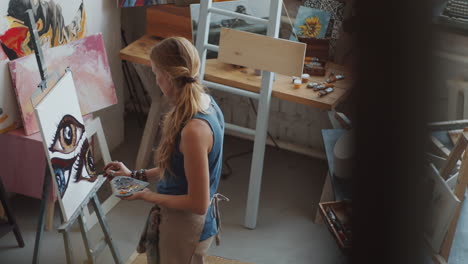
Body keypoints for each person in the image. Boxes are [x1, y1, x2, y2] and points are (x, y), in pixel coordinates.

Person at [103, 37, 227, 264]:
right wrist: (136, 175)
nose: (156, 80)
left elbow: (198, 204)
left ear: (168, 78)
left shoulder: (193, 130)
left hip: (186, 228)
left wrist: (146, 195)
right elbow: (178, 167)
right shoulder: (205, 101)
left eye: (155, 73)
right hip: (185, 222)